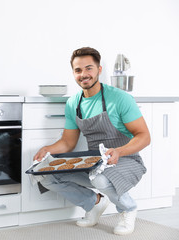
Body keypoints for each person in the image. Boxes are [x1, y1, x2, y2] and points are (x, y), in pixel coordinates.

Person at [33, 47, 150, 235]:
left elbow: (144, 136)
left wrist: (119, 151)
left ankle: (128, 209)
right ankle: (94, 203)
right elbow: (68, 142)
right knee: (45, 174)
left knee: (101, 178)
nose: (83, 74)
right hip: (94, 162)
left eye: (89, 68)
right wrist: (47, 150)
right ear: (73, 73)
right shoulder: (74, 103)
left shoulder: (119, 99)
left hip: (126, 159)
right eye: (78, 70)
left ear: (99, 70)